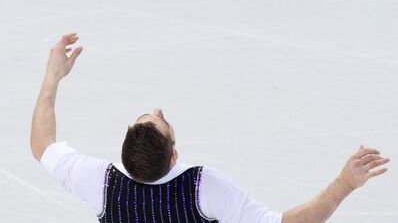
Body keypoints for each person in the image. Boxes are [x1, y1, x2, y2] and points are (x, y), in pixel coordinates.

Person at [31, 33, 390, 222]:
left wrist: (52, 78)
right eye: (159, 118)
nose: (158, 109)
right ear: (175, 155)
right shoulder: (202, 188)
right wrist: (344, 184)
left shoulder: (101, 183)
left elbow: (41, 145)